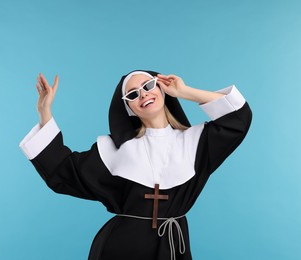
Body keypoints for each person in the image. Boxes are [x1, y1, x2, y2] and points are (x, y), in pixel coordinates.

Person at [19, 70, 252, 260]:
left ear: (162, 89)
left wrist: (185, 92)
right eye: (132, 94)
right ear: (129, 107)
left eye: (149, 86)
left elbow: (237, 119)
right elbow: (63, 170)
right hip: (119, 249)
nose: (143, 95)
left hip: (174, 248)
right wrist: (44, 112)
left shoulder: (197, 142)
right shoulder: (115, 150)